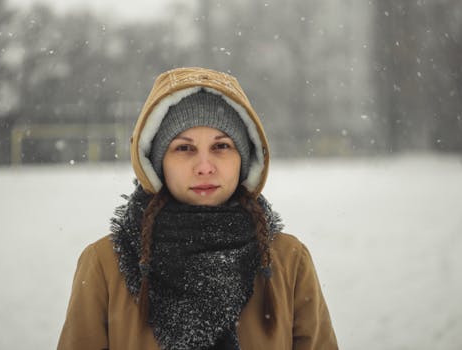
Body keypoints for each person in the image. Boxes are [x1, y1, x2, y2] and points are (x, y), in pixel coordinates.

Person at [57, 67, 338, 350]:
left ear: (243, 159)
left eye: (222, 146)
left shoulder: (288, 261)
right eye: (184, 149)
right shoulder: (106, 264)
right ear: (157, 164)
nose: (205, 167)